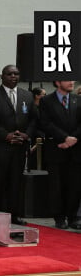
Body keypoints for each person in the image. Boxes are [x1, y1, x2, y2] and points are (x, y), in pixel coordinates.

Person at [0, 65, 36, 225]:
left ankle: (14, 215)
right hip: (0, 145)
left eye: (16, 74)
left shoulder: (27, 95)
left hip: (20, 146)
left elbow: (34, 118)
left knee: (16, 181)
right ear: (2, 76)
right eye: (9, 74)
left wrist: (26, 135)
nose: (13, 76)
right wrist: (6, 135)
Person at [38, 81, 81, 229]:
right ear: (57, 82)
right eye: (68, 79)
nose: (72, 82)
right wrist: (64, 138)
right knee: (57, 186)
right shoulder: (46, 101)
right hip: (56, 149)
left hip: (75, 149)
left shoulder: (77, 99)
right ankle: (60, 218)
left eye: (73, 79)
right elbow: (45, 123)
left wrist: (72, 140)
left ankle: (73, 217)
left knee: (75, 185)